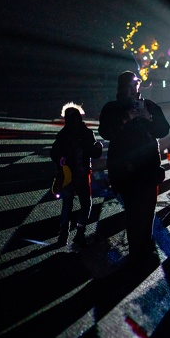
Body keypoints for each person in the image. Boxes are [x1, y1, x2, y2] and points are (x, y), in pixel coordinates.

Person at [99, 71, 170, 262]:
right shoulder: (112, 108)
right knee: (133, 210)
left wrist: (149, 117)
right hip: (125, 168)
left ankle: (145, 248)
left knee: (147, 210)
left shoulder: (149, 106)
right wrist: (125, 118)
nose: (131, 90)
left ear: (139, 86)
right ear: (120, 88)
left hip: (148, 167)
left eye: (134, 85)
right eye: (127, 86)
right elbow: (105, 131)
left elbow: (164, 130)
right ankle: (136, 252)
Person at [50, 102, 103, 246]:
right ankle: (79, 232)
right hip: (82, 174)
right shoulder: (86, 133)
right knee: (86, 203)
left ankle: (63, 235)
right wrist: (98, 147)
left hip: (68, 175)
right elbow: (94, 153)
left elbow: (53, 152)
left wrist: (61, 159)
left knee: (67, 204)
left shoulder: (63, 134)